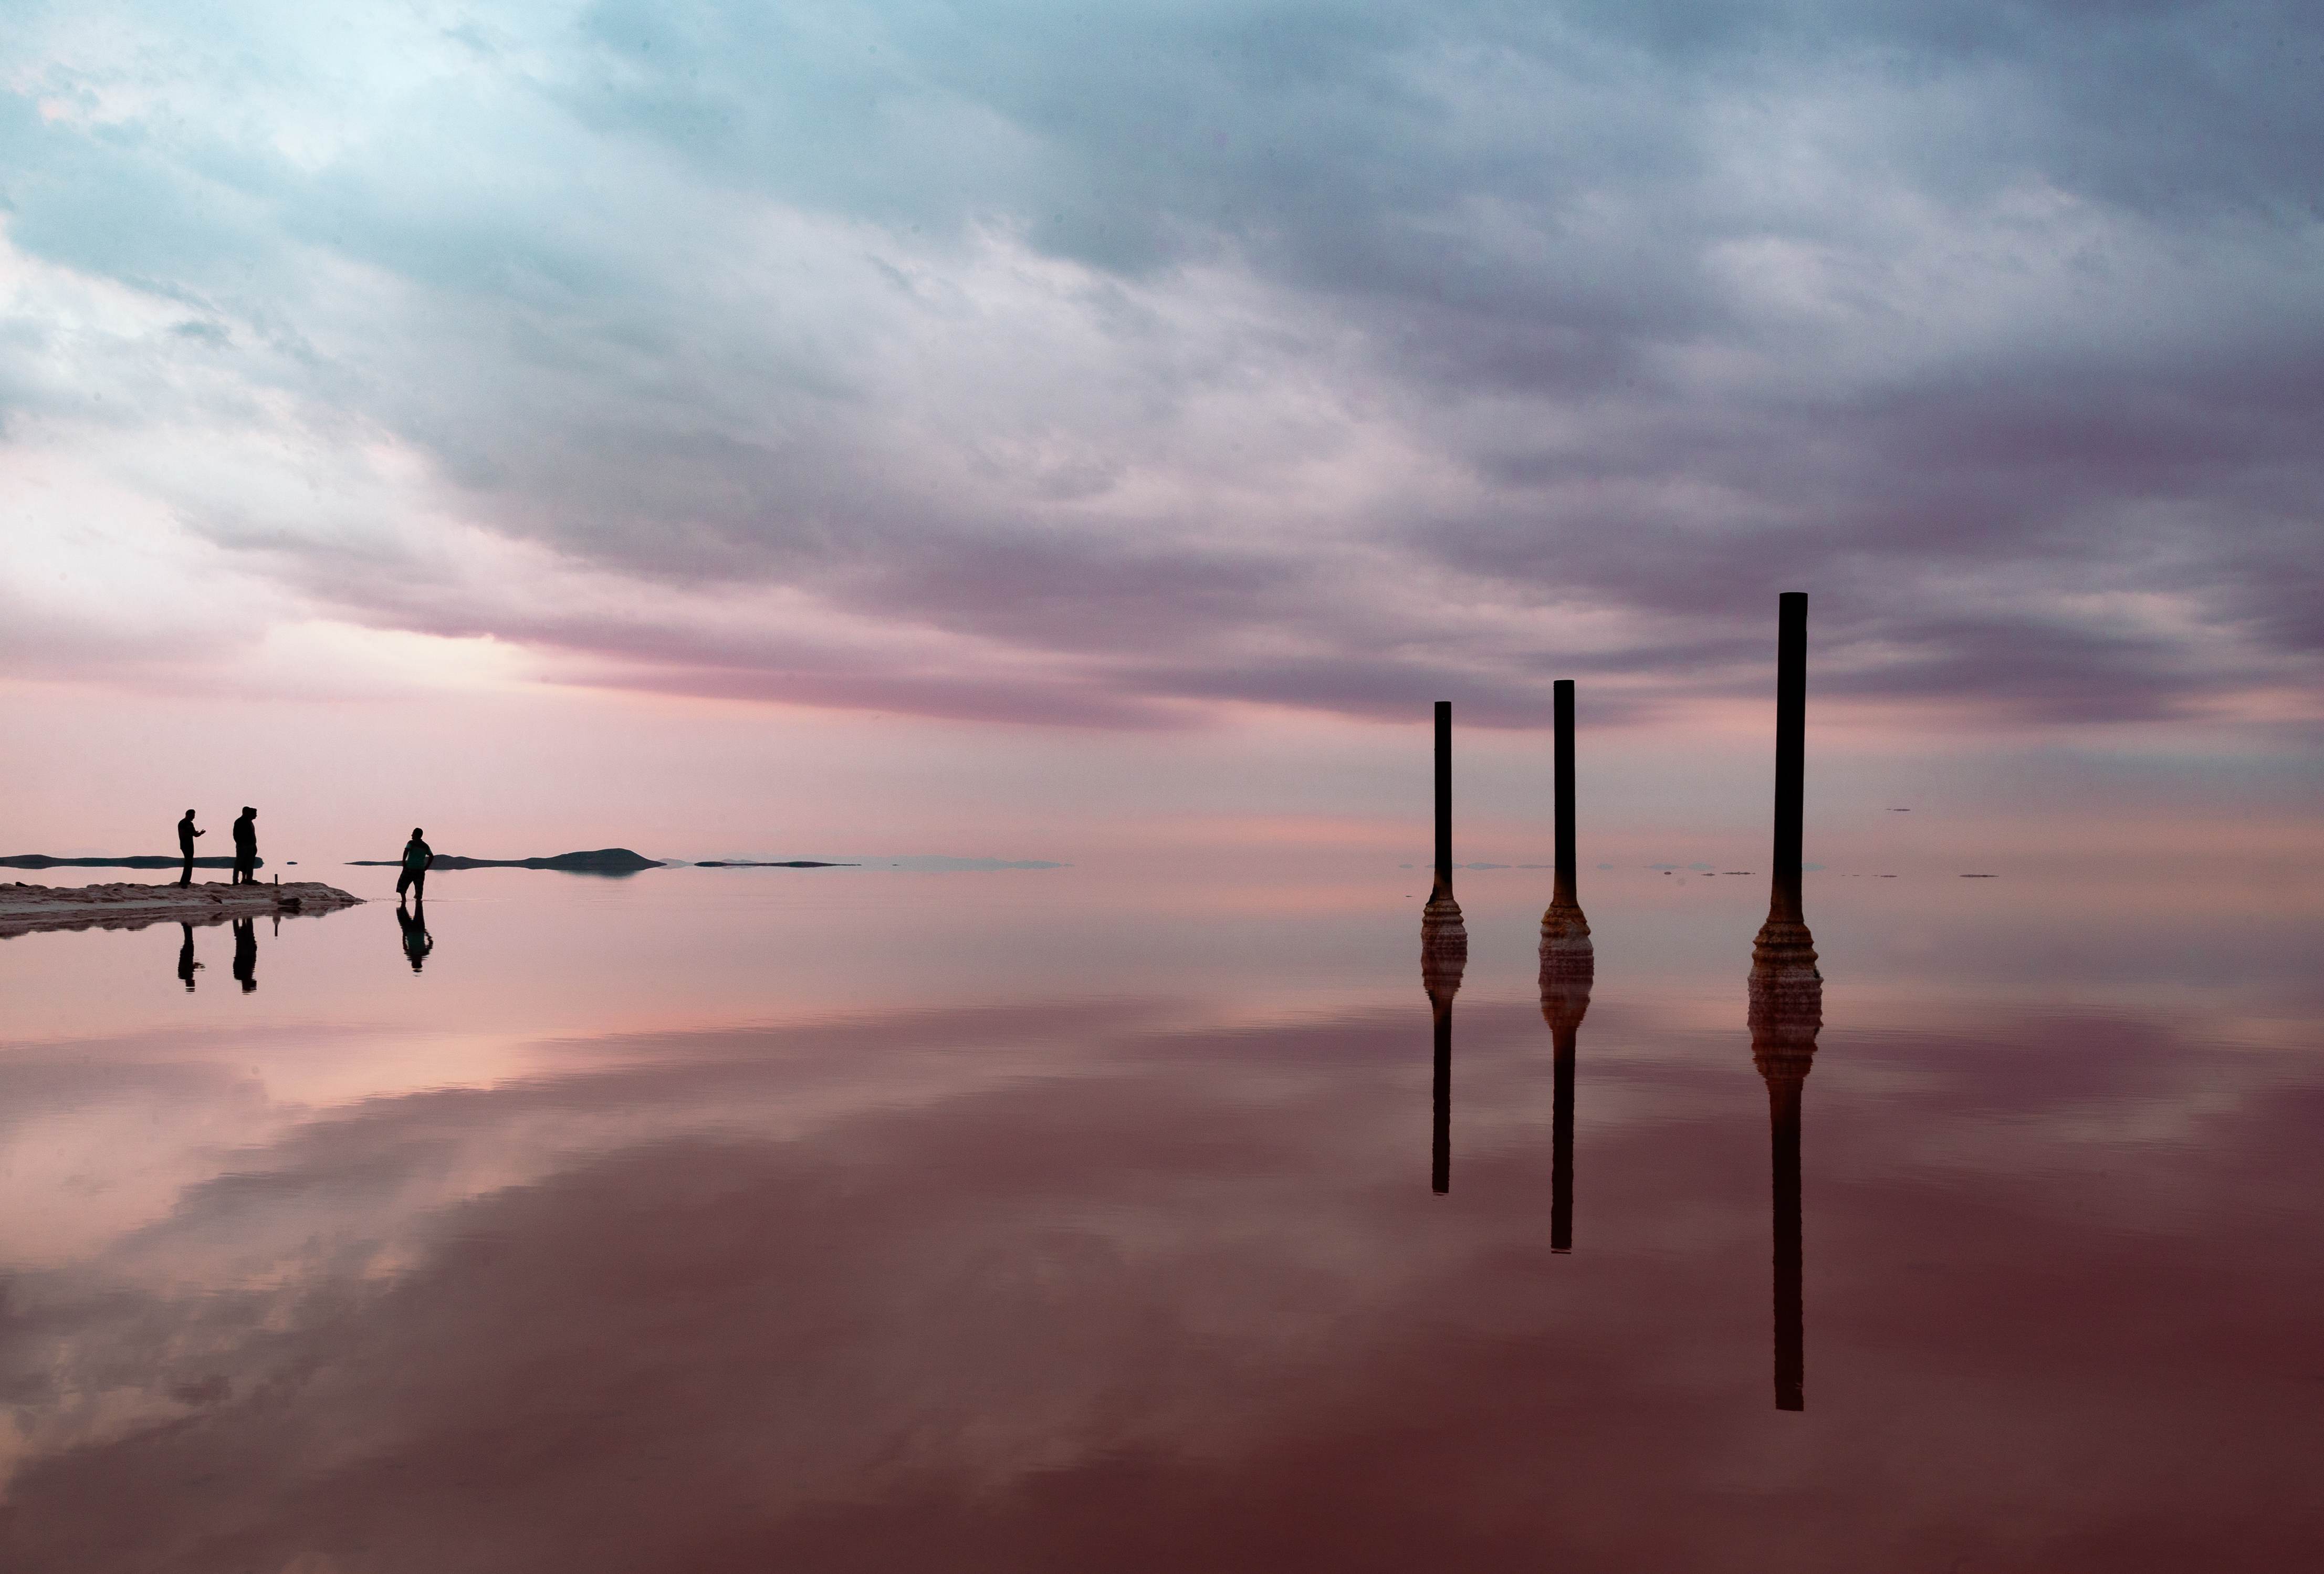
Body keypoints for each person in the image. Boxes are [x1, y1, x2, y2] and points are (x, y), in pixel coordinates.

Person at [397, 827, 434, 904]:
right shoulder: (425, 846)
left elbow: (406, 851)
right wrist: (427, 867)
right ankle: (418, 904)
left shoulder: (411, 843)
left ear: (416, 835)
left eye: (413, 833)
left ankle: (404, 901)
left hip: (410, 868)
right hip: (420, 870)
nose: (411, 835)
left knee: (402, 886)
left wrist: (404, 862)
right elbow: (431, 856)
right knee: (419, 889)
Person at [396, 900, 433, 972]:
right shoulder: (422, 954)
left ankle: (410, 900)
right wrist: (426, 932)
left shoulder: (416, 955)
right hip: (416, 930)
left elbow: (405, 946)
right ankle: (415, 899)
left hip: (414, 930)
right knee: (418, 909)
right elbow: (431, 943)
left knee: (416, 909)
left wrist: (426, 933)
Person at [176, 810, 204, 887]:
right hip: (185, 845)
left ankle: (187, 880)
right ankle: (184, 881)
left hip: (190, 845)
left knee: (190, 862)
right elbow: (182, 835)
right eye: (193, 815)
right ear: (188, 815)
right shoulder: (182, 823)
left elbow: (195, 834)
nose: (194, 817)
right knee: (188, 862)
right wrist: (192, 834)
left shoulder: (190, 824)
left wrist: (200, 834)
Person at [231, 806, 258, 884]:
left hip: (250, 845)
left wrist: (254, 845)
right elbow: (236, 835)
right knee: (239, 863)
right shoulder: (240, 821)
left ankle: (248, 879)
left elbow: (252, 835)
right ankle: (236, 881)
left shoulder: (249, 822)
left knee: (249, 863)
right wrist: (241, 843)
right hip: (243, 846)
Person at [231, 917, 257, 992]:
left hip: (246, 950)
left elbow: (252, 960)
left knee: (243, 932)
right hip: (244, 950)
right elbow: (235, 963)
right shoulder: (238, 975)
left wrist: (254, 947)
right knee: (239, 934)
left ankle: (238, 916)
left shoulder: (240, 975)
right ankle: (237, 917)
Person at [176, 922, 201, 991]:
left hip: (187, 955)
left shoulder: (186, 975)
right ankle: (186, 925)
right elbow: (190, 966)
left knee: (189, 940)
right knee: (188, 940)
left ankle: (186, 924)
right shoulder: (184, 975)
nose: (194, 981)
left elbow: (189, 966)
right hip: (185, 955)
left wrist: (196, 966)